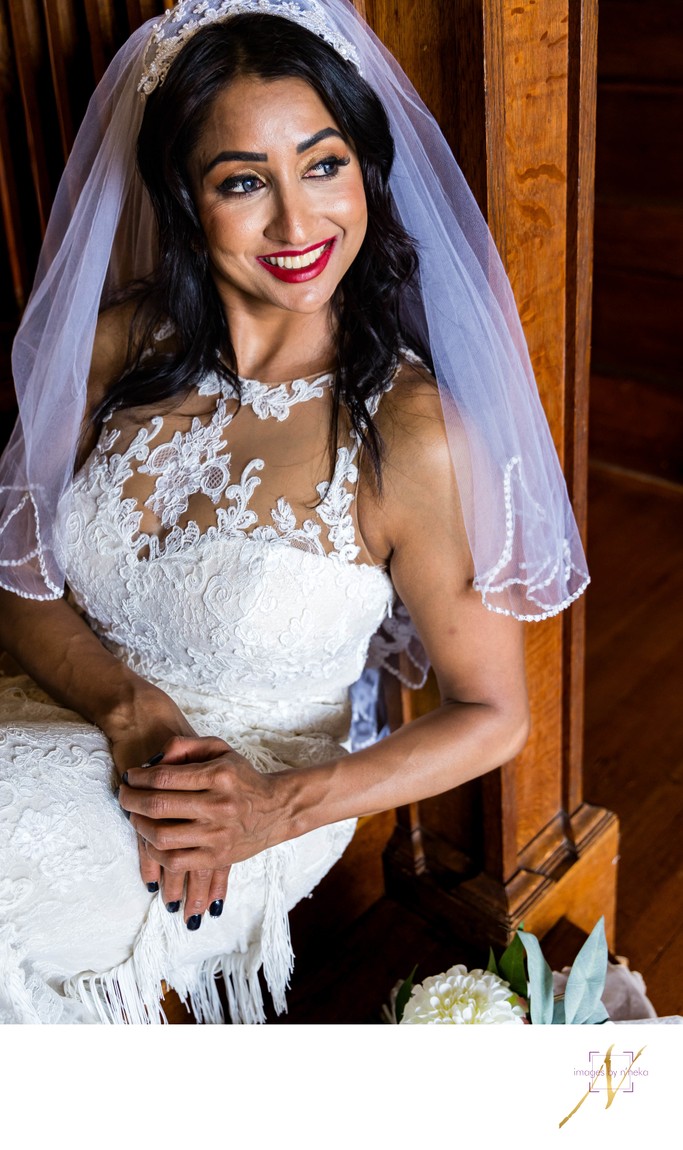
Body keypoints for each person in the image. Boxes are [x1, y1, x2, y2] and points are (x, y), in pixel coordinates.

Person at [0, 0, 588, 1025]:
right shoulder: (111, 349)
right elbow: (18, 575)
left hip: (257, 787)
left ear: (365, 169)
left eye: (323, 165)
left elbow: (492, 716)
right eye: (242, 181)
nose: (297, 223)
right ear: (184, 197)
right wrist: (131, 709)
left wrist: (275, 808)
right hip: (70, 702)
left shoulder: (409, 434)